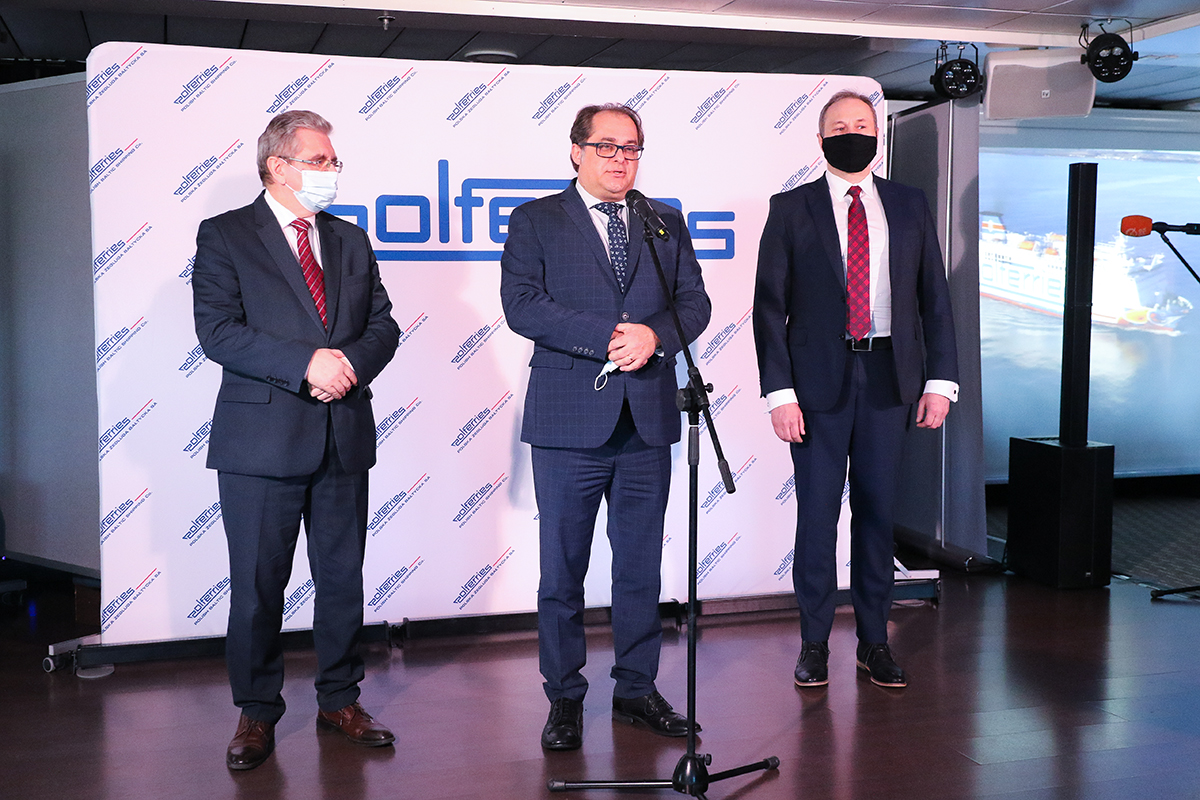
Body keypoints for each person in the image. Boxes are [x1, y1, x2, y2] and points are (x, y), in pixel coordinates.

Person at [193, 110, 400, 770]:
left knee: (341, 580)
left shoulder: (349, 239)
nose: (331, 172)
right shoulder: (226, 235)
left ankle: (341, 699)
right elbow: (218, 331)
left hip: (343, 434)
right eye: (319, 161)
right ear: (277, 166)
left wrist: (348, 367)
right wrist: (306, 364)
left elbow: (383, 326)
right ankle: (257, 712)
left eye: (333, 162)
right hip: (261, 442)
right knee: (259, 586)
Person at [500, 103, 711, 751]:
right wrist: (613, 338)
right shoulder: (536, 219)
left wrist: (655, 336)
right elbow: (522, 305)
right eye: (607, 146)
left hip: (646, 418)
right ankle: (564, 696)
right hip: (569, 422)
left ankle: (636, 690)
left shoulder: (662, 220)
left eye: (632, 148)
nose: (621, 159)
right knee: (562, 571)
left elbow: (694, 302)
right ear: (576, 151)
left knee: (640, 567)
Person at [752, 90, 958, 690]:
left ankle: (874, 642)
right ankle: (814, 643)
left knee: (877, 514)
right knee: (817, 517)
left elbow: (934, 299)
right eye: (840, 126)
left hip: (891, 379)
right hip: (816, 386)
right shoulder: (791, 208)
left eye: (862, 125)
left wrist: (941, 381)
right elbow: (768, 309)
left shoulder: (909, 204)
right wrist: (779, 394)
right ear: (820, 140)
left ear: (877, 135)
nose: (852, 133)